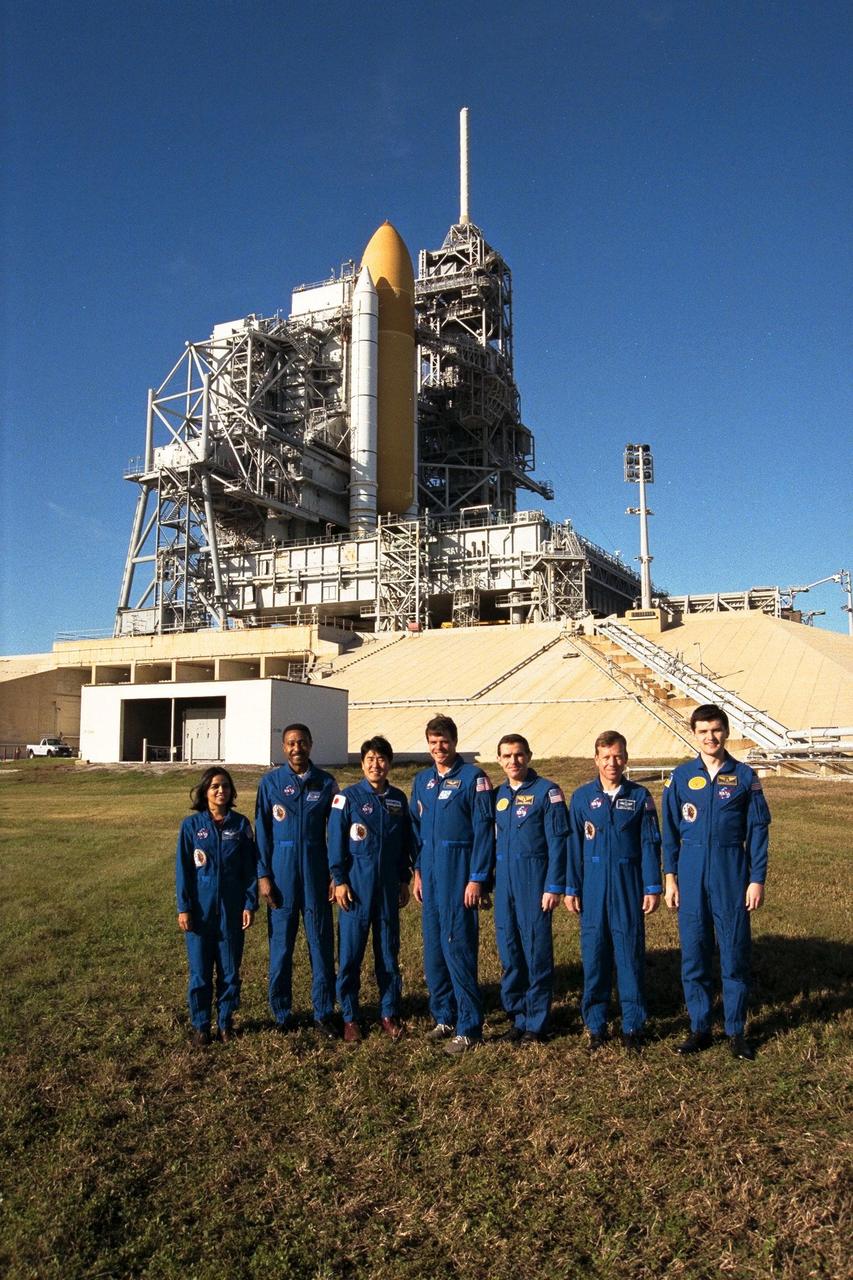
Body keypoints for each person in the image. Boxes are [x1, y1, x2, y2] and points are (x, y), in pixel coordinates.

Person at [662, 704, 770, 1060]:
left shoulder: (743, 776)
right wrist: (671, 878)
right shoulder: (681, 777)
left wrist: (756, 879)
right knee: (694, 952)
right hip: (691, 871)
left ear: (726, 731)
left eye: (716, 730)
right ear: (694, 734)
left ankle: (736, 1030)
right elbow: (670, 833)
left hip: (730, 870)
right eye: (703, 731)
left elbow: (757, 831)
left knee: (734, 951)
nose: (710, 737)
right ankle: (700, 1027)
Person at [565, 731, 662, 1052]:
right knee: (595, 954)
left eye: (618, 756)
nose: (612, 763)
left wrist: (652, 886)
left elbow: (650, 843)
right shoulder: (581, 797)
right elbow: (574, 846)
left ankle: (633, 1023)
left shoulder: (639, 796)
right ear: (596, 759)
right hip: (592, 887)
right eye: (606, 757)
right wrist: (571, 887)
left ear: (626, 758)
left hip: (627, 883)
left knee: (629, 953)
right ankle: (596, 1023)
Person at [410, 714, 495, 1055]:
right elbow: (417, 833)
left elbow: (484, 833)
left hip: (458, 875)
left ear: (455, 742)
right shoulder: (423, 781)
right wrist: (417, 871)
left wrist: (477, 878)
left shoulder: (474, 778)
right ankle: (444, 1015)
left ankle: (469, 1026)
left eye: (444, 741)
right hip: (429, 875)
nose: (438, 747)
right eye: (433, 742)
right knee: (434, 954)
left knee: (457, 949)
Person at [327, 736, 414, 1043]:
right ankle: (350, 1017)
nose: (376, 765)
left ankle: (388, 1012)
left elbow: (405, 845)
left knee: (388, 954)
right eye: (370, 760)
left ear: (389, 763)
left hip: (388, 888)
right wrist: (339, 880)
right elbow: (336, 843)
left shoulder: (398, 799)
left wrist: (404, 878)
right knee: (350, 955)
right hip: (356, 889)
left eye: (381, 759)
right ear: (362, 763)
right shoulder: (347, 798)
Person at [255, 723, 339, 1039]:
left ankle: (323, 1013)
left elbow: (337, 832)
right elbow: (262, 830)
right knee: (281, 948)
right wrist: (263, 875)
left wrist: (335, 874)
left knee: (320, 944)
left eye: (301, 742)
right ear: (283, 747)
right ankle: (282, 1013)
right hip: (282, 874)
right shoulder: (271, 783)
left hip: (316, 873)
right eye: (290, 743)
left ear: (311, 744)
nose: (296, 748)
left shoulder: (327, 783)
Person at [493, 734, 567, 1045]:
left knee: (536, 952)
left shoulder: (547, 793)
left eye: (519, 755)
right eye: (507, 756)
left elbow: (559, 843)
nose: (513, 761)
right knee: (510, 951)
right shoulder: (497, 795)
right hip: (504, 884)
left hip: (534, 883)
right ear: (499, 760)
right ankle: (517, 1016)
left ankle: (536, 1024)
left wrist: (553, 885)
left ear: (529, 756)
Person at [175, 767, 257, 1046]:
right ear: (204, 792)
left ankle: (225, 1021)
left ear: (232, 791)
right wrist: (184, 907)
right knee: (200, 971)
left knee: (230, 969)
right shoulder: (191, 826)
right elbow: (184, 870)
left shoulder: (241, 825)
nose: (220, 791)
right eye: (214, 787)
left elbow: (250, 869)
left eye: (225, 786)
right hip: (200, 908)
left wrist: (249, 902)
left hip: (232, 907)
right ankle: (201, 1025)